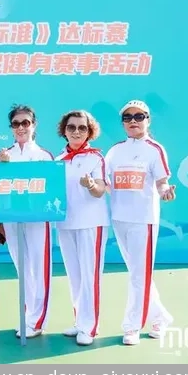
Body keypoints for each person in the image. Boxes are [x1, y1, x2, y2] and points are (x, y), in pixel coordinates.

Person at [105, 99, 176, 346]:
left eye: (139, 116)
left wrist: (165, 192)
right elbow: (106, 183)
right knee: (138, 273)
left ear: (148, 120)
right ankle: (160, 317)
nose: (133, 121)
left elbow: (162, 182)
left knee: (138, 275)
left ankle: (132, 326)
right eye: (127, 118)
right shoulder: (115, 151)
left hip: (142, 219)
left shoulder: (154, 149)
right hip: (119, 218)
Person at [0, 104, 54, 339]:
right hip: (12, 219)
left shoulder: (44, 156)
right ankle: (28, 316)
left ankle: (38, 321)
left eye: (25, 123)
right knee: (23, 267)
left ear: (34, 125)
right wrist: (3, 167)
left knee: (39, 267)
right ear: (11, 127)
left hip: (38, 219)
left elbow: (51, 188)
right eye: (16, 124)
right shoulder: (2, 156)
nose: (21, 128)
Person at [54, 110, 109, 346]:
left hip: (90, 223)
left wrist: (90, 185)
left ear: (89, 131)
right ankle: (80, 321)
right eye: (71, 127)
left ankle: (90, 327)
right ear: (64, 130)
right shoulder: (58, 160)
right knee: (75, 276)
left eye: (82, 128)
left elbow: (100, 191)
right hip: (65, 224)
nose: (76, 132)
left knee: (90, 276)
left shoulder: (96, 158)